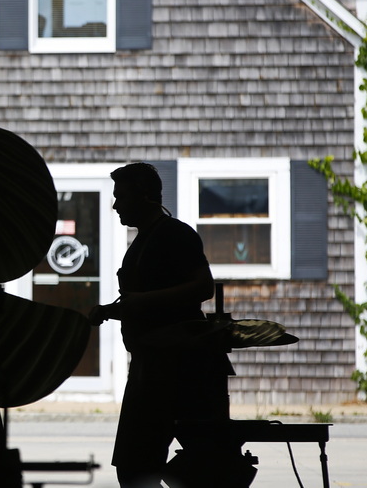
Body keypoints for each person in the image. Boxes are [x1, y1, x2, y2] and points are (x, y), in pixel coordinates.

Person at [90, 162, 229, 488]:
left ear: (145, 196)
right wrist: (112, 311)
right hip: (148, 365)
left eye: (121, 197)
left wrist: (142, 302)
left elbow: (202, 287)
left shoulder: (176, 234)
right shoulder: (142, 242)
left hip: (178, 368)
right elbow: (144, 302)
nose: (115, 205)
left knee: (158, 464)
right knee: (135, 465)